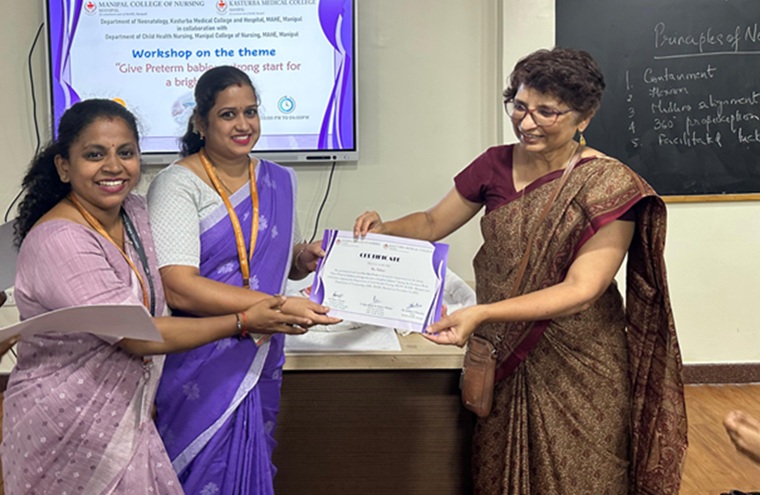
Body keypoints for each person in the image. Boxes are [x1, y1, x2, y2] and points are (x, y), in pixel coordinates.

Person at [354, 47, 688, 494]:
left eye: (546, 112)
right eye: (520, 106)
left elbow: (582, 290)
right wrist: (385, 229)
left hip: (580, 362)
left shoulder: (608, 185)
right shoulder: (493, 164)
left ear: (584, 118)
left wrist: (483, 314)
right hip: (503, 355)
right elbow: (433, 222)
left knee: (583, 476)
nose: (526, 123)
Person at [1, 99, 311, 494]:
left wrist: (302, 258)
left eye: (125, 152)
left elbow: (208, 265)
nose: (113, 166)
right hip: (67, 425)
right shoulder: (60, 240)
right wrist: (244, 321)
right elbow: (138, 336)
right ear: (64, 166)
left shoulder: (135, 213)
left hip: (130, 415)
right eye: (95, 154)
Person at [147, 65, 339, 494]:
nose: (243, 124)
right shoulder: (177, 185)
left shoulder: (279, 180)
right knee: (198, 472)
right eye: (228, 114)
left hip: (262, 348)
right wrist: (274, 307)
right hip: (201, 355)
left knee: (249, 464)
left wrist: (302, 258)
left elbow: (278, 263)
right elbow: (178, 285)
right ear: (200, 122)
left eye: (250, 112)